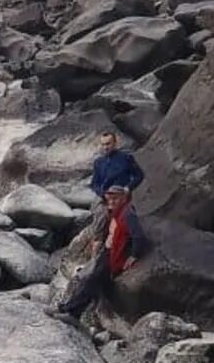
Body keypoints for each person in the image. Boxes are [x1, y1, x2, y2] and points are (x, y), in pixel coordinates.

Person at [61, 185, 150, 320]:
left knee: (91, 281)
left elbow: (139, 236)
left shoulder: (128, 214)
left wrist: (134, 255)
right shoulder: (116, 212)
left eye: (115, 198)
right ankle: (66, 308)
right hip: (107, 252)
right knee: (92, 280)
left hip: (114, 257)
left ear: (123, 198)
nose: (112, 201)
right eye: (110, 199)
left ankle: (72, 313)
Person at [90, 130, 144, 199]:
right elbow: (94, 184)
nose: (105, 147)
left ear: (115, 143)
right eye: (103, 144)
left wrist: (127, 188)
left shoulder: (126, 158)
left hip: (123, 198)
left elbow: (139, 175)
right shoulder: (98, 162)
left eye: (108, 144)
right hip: (106, 200)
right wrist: (102, 193)